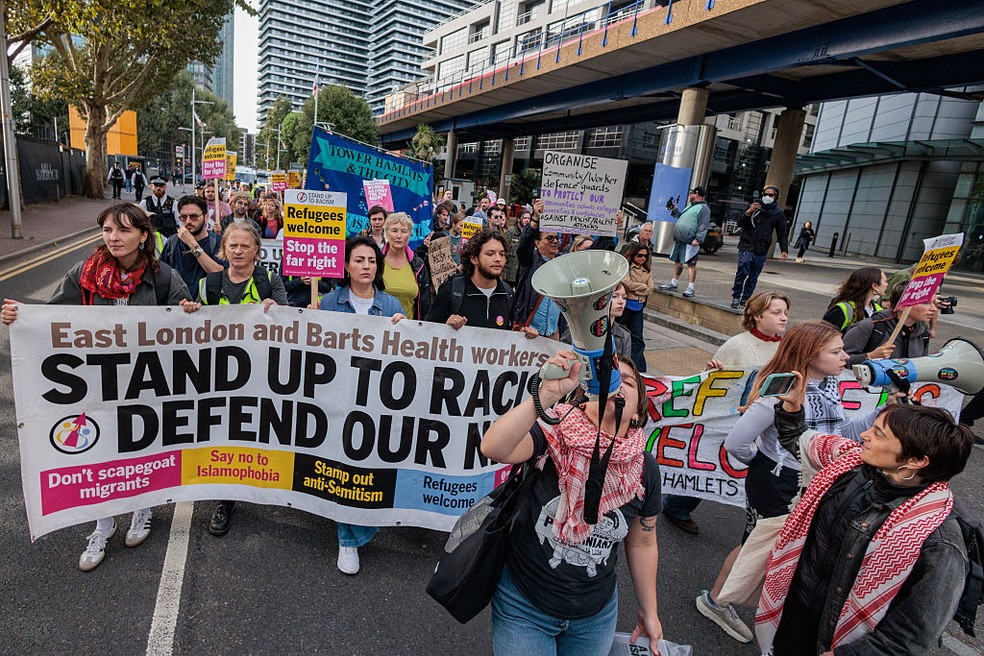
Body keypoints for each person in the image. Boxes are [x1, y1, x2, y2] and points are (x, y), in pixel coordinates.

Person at [1, 204, 191, 571]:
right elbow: (53, 317)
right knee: (100, 451)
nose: (113, 237)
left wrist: (189, 311)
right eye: (107, 230)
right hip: (96, 382)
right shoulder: (84, 274)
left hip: (145, 384)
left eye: (122, 230)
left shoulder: (164, 277)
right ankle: (102, 524)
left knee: (139, 448)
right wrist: (20, 316)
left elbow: (186, 328)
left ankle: (142, 508)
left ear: (143, 235)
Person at [697, 320, 882, 643]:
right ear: (810, 356)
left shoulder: (827, 385)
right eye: (836, 351)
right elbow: (736, 442)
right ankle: (716, 600)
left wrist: (878, 418)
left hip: (821, 479)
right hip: (779, 483)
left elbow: (842, 434)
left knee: (794, 547)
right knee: (755, 543)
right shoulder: (779, 391)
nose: (845, 357)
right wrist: (765, 464)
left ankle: (773, 605)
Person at [480, 351, 663, 654]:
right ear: (584, 397)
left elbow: (643, 542)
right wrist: (547, 395)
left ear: (637, 412)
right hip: (525, 605)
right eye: (604, 377)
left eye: (627, 381)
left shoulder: (644, 468)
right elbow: (494, 447)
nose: (615, 384)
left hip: (595, 616)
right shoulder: (554, 432)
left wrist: (649, 612)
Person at [758, 404, 974, 655]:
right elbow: (799, 440)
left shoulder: (939, 541)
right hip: (796, 613)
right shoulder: (854, 466)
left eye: (879, 433)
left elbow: (912, 634)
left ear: (915, 460)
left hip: (838, 643)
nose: (864, 436)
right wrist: (792, 407)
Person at [181, 223, 288, 537]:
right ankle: (225, 499)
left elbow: (290, 322)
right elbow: (183, 324)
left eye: (245, 246)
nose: (238, 252)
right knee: (224, 435)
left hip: (261, 374)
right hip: (217, 376)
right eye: (232, 246)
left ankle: (260, 483)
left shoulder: (270, 281)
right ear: (223, 250)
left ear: (257, 249)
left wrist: (277, 309)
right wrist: (189, 309)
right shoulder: (207, 285)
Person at [663, 291, 790, 535]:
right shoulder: (737, 346)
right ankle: (677, 505)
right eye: (776, 312)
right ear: (757, 315)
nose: (784, 318)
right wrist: (712, 370)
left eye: (785, 312)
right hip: (735, 419)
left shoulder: (786, 346)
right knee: (715, 462)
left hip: (769, 418)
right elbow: (709, 385)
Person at [316, 235, 405, 574]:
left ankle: (360, 524)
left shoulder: (392, 306)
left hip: (376, 399)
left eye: (371, 261)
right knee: (342, 463)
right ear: (346, 266)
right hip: (338, 395)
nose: (366, 266)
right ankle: (347, 539)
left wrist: (405, 330)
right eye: (359, 260)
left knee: (368, 463)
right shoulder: (327, 303)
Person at [428, 229, 531, 335]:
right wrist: (446, 326)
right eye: (490, 254)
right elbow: (427, 333)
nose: (498, 259)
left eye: (502, 254)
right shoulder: (452, 289)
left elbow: (506, 337)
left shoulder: (507, 294)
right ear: (474, 259)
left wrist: (523, 338)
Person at [843, 281, 935, 367]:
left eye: (934, 303)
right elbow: (841, 361)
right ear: (903, 306)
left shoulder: (923, 334)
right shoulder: (869, 326)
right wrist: (871, 356)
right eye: (926, 303)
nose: (934, 309)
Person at [731, 185, 788, 309]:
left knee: (753, 275)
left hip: (761, 248)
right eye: (765, 194)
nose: (767, 197)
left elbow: (782, 232)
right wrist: (749, 211)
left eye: (771, 195)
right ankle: (736, 295)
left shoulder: (778, 214)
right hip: (747, 244)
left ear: (776, 197)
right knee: (743, 268)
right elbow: (741, 223)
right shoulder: (754, 208)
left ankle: (745, 299)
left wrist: (784, 249)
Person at [161, 196, 225, 291]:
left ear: (206, 217)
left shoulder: (217, 242)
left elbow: (219, 273)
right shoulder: (172, 242)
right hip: (178, 302)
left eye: (194, 217)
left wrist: (193, 245)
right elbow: (162, 274)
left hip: (207, 302)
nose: (188, 221)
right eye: (183, 217)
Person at [658, 186, 710, 298]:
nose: (690, 195)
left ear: (697, 194)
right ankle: (674, 282)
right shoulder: (691, 206)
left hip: (690, 241)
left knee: (691, 264)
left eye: (692, 193)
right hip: (681, 239)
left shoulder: (703, 208)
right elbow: (682, 217)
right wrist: (674, 210)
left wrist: (698, 239)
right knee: (678, 261)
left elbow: (703, 224)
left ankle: (691, 287)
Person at [381, 212, 430, 320]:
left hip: (408, 332)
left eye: (404, 231)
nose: (399, 236)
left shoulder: (419, 265)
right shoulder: (375, 260)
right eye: (394, 231)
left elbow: (425, 304)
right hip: (376, 329)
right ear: (386, 233)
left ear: (410, 234)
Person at [619, 242, 653, 373]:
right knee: (617, 334)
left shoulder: (648, 270)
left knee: (637, 339)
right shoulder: (626, 267)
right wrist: (642, 287)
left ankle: (640, 371)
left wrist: (636, 288)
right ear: (633, 255)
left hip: (638, 307)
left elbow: (651, 289)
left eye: (645, 256)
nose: (643, 258)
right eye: (640, 255)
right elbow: (627, 284)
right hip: (625, 305)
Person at [821, 267, 886, 333]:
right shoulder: (843, 309)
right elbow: (825, 335)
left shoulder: (878, 310)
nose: (887, 285)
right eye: (885, 281)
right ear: (874, 286)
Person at [502, 208, 531, 287]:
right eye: (525, 218)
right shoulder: (510, 233)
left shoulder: (530, 234)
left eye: (529, 218)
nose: (527, 220)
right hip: (510, 273)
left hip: (523, 273)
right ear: (518, 219)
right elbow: (504, 252)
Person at [609, 282, 633, 359]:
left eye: (624, 297)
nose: (621, 301)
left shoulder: (624, 335)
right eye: (614, 296)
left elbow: (625, 366)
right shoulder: (578, 331)